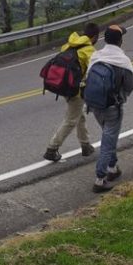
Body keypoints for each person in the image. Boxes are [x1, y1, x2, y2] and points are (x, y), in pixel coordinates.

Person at [87, 24, 133, 193]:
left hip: (94, 105)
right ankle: (100, 179)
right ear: (120, 41)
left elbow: (88, 78)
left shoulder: (96, 56)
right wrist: (121, 95)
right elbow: (130, 85)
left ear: (105, 39)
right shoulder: (122, 61)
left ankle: (113, 168)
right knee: (108, 141)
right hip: (112, 106)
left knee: (108, 135)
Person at [43, 22, 101, 162]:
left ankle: (85, 145)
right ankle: (52, 148)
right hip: (76, 89)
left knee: (78, 115)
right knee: (71, 119)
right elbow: (94, 71)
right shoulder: (89, 50)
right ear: (94, 37)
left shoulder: (69, 44)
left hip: (63, 86)